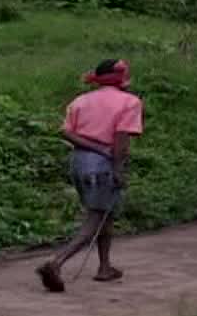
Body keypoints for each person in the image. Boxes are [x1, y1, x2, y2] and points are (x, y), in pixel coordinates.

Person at [36, 59, 143, 292]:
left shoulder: (80, 101)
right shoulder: (129, 102)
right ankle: (56, 262)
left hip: (78, 163)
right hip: (103, 166)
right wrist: (117, 168)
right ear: (122, 81)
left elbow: (66, 133)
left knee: (105, 213)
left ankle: (104, 267)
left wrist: (93, 148)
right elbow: (121, 142)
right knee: (94, 221)